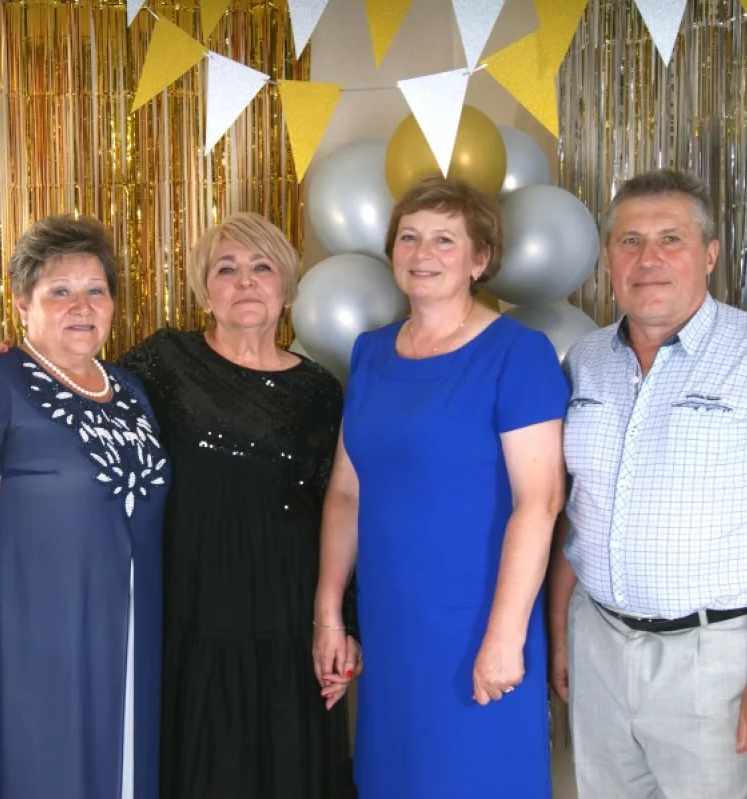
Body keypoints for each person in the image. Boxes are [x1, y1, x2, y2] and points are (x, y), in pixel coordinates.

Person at [548, 168, 747, 799]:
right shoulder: (585, 361)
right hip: (596, 641)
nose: (648, 259)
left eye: (670, 239)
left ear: (708, 255)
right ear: (608, 259)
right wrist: (560, 634)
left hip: (718, 659)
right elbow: (574, 510)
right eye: (630, 241)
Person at [314, 176, 568, 798]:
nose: (422, 253)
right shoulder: (371, 353)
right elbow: (347, 491)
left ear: (480, 260)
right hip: (392, 624)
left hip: (478, 621)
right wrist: (329, 613)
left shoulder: (518, 354)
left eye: (445, 240)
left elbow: (540, 503)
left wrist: (506, 637)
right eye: (409, 237)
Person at [118, 212, 358, 799]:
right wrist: (18, 361)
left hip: (287, 615)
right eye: (226, 269)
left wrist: (342, 625)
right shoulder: (164, 362)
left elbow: (339, 506)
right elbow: (85, 399)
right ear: (205, 292)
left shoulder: (321, 390)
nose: (245, 281)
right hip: (190, 610)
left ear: (287, 288)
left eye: (262, 267)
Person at [0, 215, 169, 799]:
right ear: (22, 304)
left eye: (96, 290)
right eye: (59, 292)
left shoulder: (131, 390)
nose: (81, 307)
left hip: (128, 646)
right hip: (29, 652)